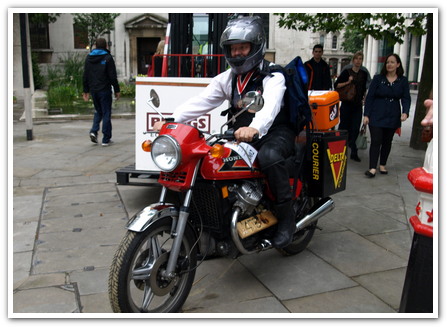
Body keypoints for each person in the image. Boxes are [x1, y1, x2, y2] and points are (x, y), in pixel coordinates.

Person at [153, 16, 296, 248]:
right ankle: (221, 222)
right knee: (212, 159)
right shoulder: (227, 79)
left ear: (256, 47)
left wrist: (254, 128)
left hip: (275, 132)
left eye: (243, 47)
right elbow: (200, 102)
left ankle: (286, 221)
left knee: (269, 157)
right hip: (240, 132)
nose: (237, 53)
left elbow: (269, 108)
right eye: (233, 48)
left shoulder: (273, 76)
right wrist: (171, 120)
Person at [363, 53, 411, 177]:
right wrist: (366, 115)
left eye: (392, 62)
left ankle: (382, 164)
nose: (389, 64)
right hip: (376, 114)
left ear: (398, 64)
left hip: (393, 115)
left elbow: (406, 98)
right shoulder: (378, 78)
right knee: (376, 140)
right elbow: (370, 98)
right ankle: (372, 167)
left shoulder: (403, 80)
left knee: (387, 141)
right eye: (388, 62)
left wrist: (405, 112)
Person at [83, 38, 120, 146]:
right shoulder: (108, 58)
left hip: (94, 90)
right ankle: (106, 138)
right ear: (106, 46)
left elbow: (85, 75)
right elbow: (112, 76)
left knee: (98, 111)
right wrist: (117, 89)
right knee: (106, 112)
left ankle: (94, 131)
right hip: (104, 89)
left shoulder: (89, 58)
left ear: (95, 45)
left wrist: (86, 90)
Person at [334, 51, 369, 162]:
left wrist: (365, 97)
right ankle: (339, 150)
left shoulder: (363, 74)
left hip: (357, 105)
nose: (358, 61)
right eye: (356, 58)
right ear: (353, 60)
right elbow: (336, 85)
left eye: (360, 59)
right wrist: (347, 82)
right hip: (347, 104)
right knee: (344, 127)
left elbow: (364, 88)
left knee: (355, 129)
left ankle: (354, 151)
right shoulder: (347, 72)